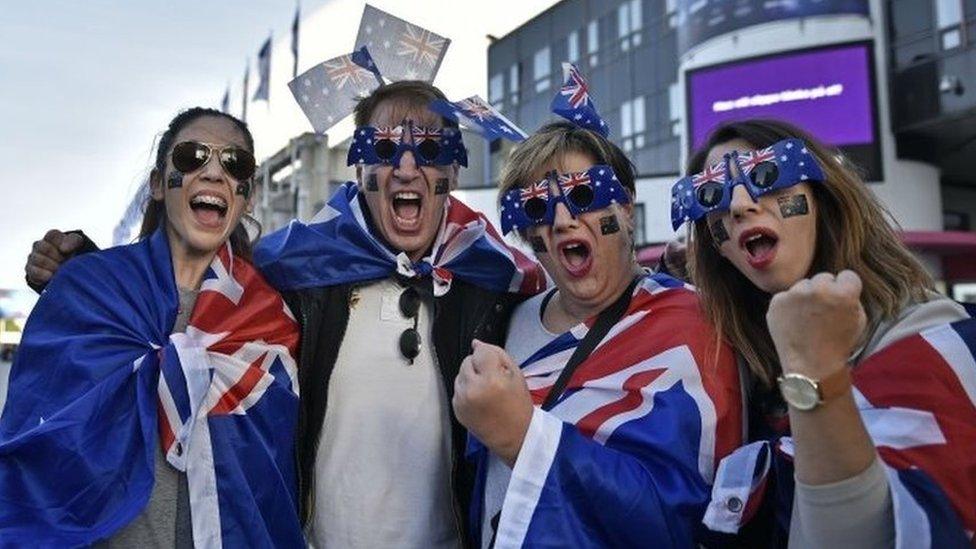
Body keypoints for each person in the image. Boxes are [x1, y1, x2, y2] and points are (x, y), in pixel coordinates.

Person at [24, 81, 545, 548]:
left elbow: (563, 323)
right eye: (383, 148)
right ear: (358, 168)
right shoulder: (297, 274)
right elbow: (172, 294)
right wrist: (89, 274)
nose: (406, 166)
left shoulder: (495, 284)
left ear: (453, 170)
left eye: (431, 150)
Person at [1, 107, 304, 546]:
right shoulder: (93, 291)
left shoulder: (272, 320)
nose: (215, 173)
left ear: (247, 195)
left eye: (233, 163)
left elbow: (273, 479)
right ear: (159, 184)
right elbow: (37, 442)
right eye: (192, 157)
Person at [672, 119, 976, 547]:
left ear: (822, 198)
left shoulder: (930, 341)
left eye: (765, 175)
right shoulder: (735, 364)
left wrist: (814, 372)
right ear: (716, 244)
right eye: (710, 196)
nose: (739, 205)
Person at [452, 120, 743, 547]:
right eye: (537, 208)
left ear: (625, 207)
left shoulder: (693, 325)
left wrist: (523, 436)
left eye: (583, 195)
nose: (564, 219)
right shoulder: (502, 321)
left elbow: (686, 513)